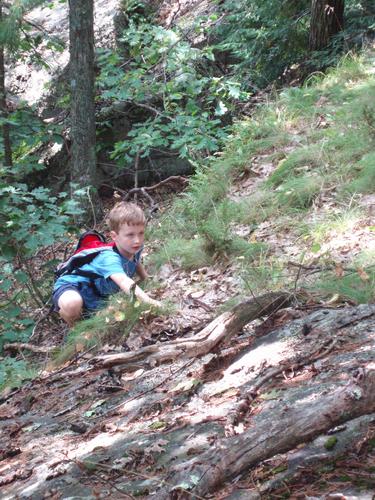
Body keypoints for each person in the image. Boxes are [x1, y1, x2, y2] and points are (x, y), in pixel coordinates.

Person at [52, 202, 161, 326]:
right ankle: (76, 328)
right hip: (73, 286)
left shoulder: (134, 247)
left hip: (97, 294)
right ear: (114, 236)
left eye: (141, 233)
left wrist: (145, 277)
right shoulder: (109, 258)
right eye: (130, 234)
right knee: (72, 304)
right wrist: (148, 301)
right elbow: (123, 281)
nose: (137, 240)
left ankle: (90, 314)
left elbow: (135, 261)